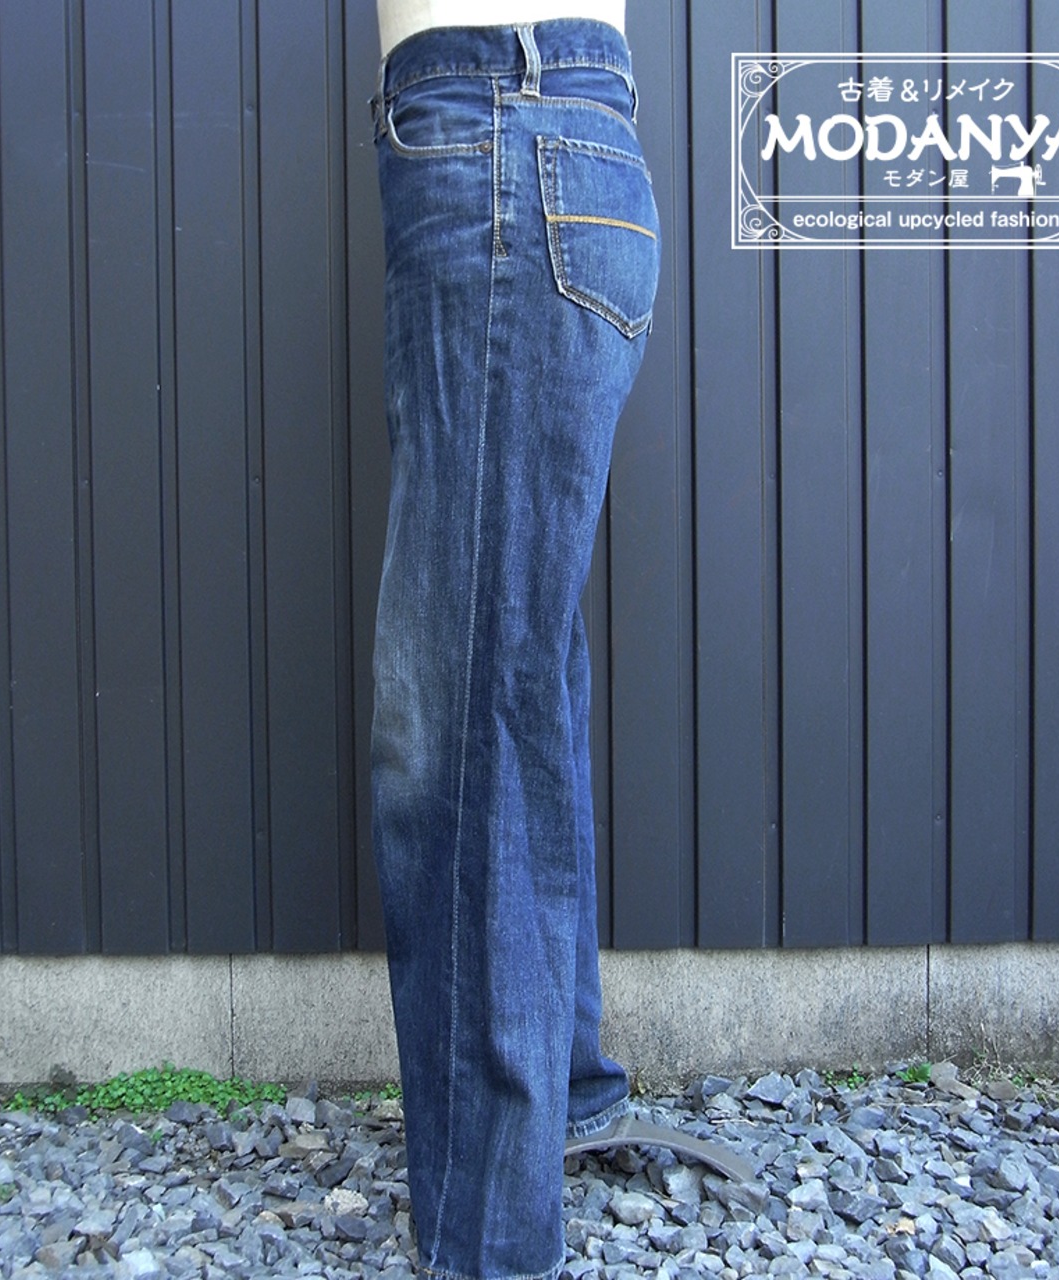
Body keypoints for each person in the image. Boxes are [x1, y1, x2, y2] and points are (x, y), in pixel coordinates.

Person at [368, 5, 658, 1276]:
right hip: (562, 141)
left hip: (495, 130)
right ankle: (566, 1087)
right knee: (520, 660)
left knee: (458, 715)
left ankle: (491, 1237)